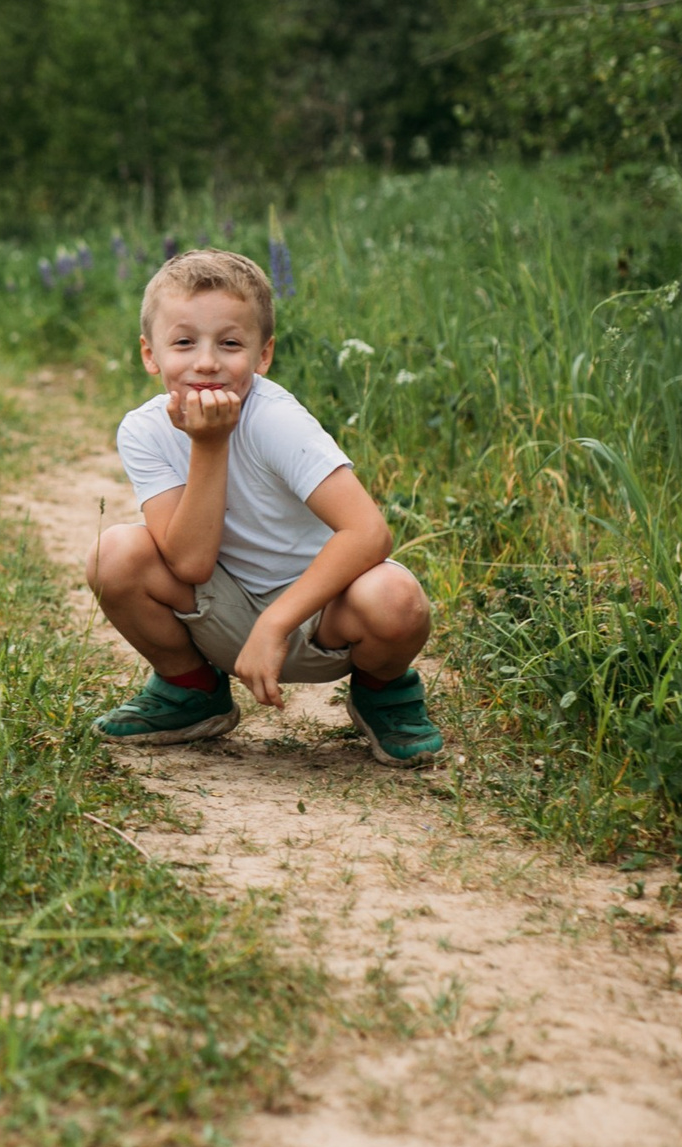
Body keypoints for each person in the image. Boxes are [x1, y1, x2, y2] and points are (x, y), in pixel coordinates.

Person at [84, 249, 444, 764]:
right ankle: (191, 693)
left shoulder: (275, 419)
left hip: (321, 617)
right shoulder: (143, 430)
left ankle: (383, 692)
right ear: (150, 354)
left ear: (263, 355)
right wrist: (210, 446)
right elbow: (189, 565)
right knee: (114, 554)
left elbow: (369, 533)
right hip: (221, 616)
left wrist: (275, 624)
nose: (206, 361)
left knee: (398, 597)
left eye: (229, 343)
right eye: (184, 342)